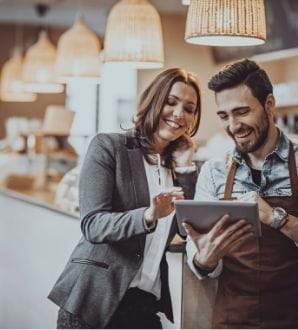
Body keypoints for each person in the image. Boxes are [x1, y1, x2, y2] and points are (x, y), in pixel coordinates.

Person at [183, 58, 298, 329]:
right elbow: (198, 253)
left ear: (269, 104)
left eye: (242, 112)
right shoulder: (213, 171)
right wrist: (202, 260)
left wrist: (277, 218)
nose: (233, 126)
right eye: (224, 116)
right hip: (233, 319)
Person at [48, 68, 202, 329]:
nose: (179, 114)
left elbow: (187, 230)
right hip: (93, 303)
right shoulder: (109, 147)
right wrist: (148, 216)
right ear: (154, 100)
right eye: (171, 102)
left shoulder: (180, 168)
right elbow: (93, 225)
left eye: (189, 108)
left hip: (144, 306)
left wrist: (185, 167)